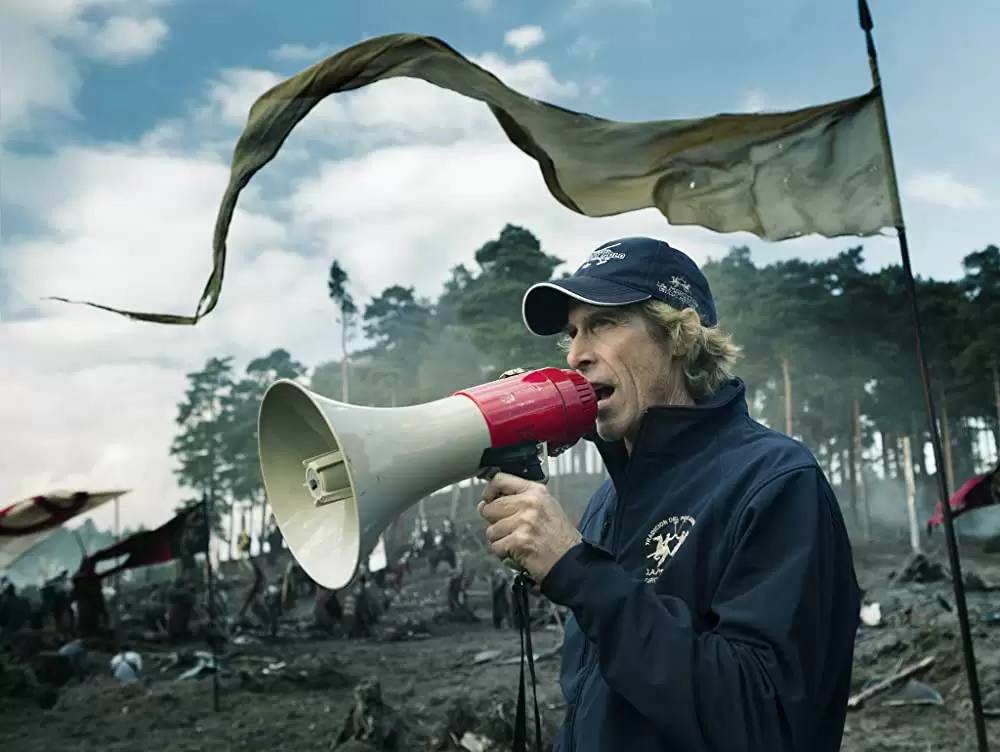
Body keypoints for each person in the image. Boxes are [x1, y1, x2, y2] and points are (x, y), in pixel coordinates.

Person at [477, 236, 861, 752]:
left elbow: (762, 717)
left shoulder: (776, 481)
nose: (575, 354)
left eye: (604, 324)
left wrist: (578, 571)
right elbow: (598, 701)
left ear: (680, 335)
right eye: (572, 332)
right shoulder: (605, 506)